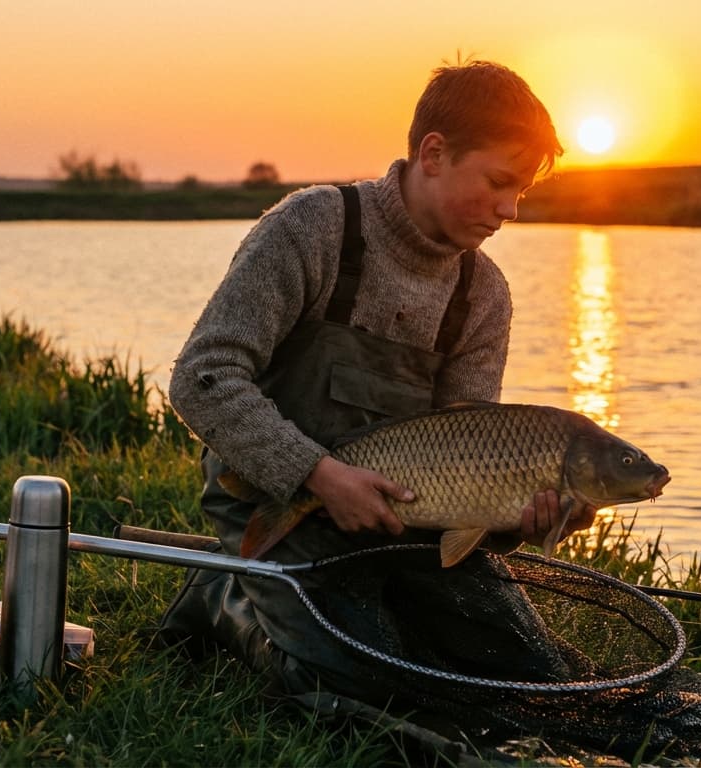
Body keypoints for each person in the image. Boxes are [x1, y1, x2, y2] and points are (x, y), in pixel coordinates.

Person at [162, 60, 596, 708]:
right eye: (500, 183)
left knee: (525, 677)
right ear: (434, 153)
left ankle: (286, 596)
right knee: (355, 689)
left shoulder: (483, 295)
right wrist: (319, 474)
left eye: (523, 193)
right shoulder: (314, 227)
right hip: (275, 495)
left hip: (403, 520)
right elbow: (202, 378)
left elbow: (470, 459)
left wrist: (516, 520)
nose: (510, 210)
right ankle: (224, 598)